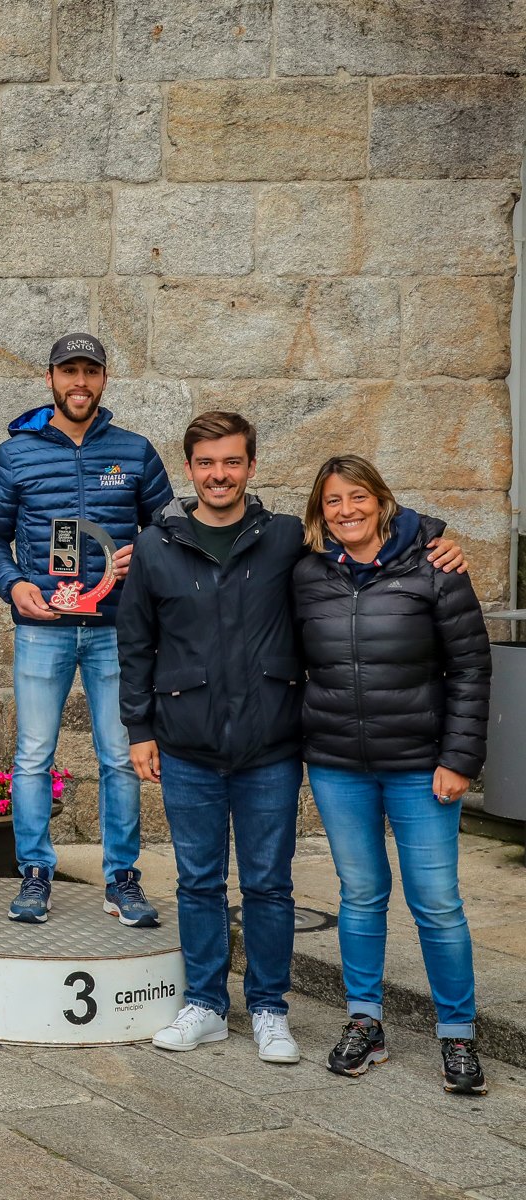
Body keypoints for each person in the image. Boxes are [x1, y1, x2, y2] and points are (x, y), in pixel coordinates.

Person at [117, 415, 465, 1064]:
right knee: (196, 882)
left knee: (270, 884)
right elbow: (135, 643)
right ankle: (207, 1005)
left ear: (250, 467)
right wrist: (139, 728)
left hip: (271, 746)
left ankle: (271, 1008)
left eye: (232, 462)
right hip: (186, 744)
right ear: (189, 469)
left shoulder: (285, 541)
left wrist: (438, 535)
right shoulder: (156, 546)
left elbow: (365, 527)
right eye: (206, 463)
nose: (219, 474)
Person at [292, 455, 491, 1095]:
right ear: (319, 514)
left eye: (357, 498)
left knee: (435, 902)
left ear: (382, 500)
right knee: (360, 894)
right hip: (337, 764)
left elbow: (470, 669)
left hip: (421, 766)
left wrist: (460, 759)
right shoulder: (306, 573)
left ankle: (457, 1033)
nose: (346, 511)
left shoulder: (435, 567)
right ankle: (365, 1021)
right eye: (332, 502)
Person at [0, 333, 172, 926]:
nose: (80, 383)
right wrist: (15, 587)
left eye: (91, 371)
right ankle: (35, 873)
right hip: (44, 628)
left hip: (118, 630)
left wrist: (140, 556)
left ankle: (122, 878)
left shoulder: (135, 451)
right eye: (70, 372)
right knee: (33, 755)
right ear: (51, 379)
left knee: (120, 756)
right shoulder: (14, 456)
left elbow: (169, 533)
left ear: (105, 379)